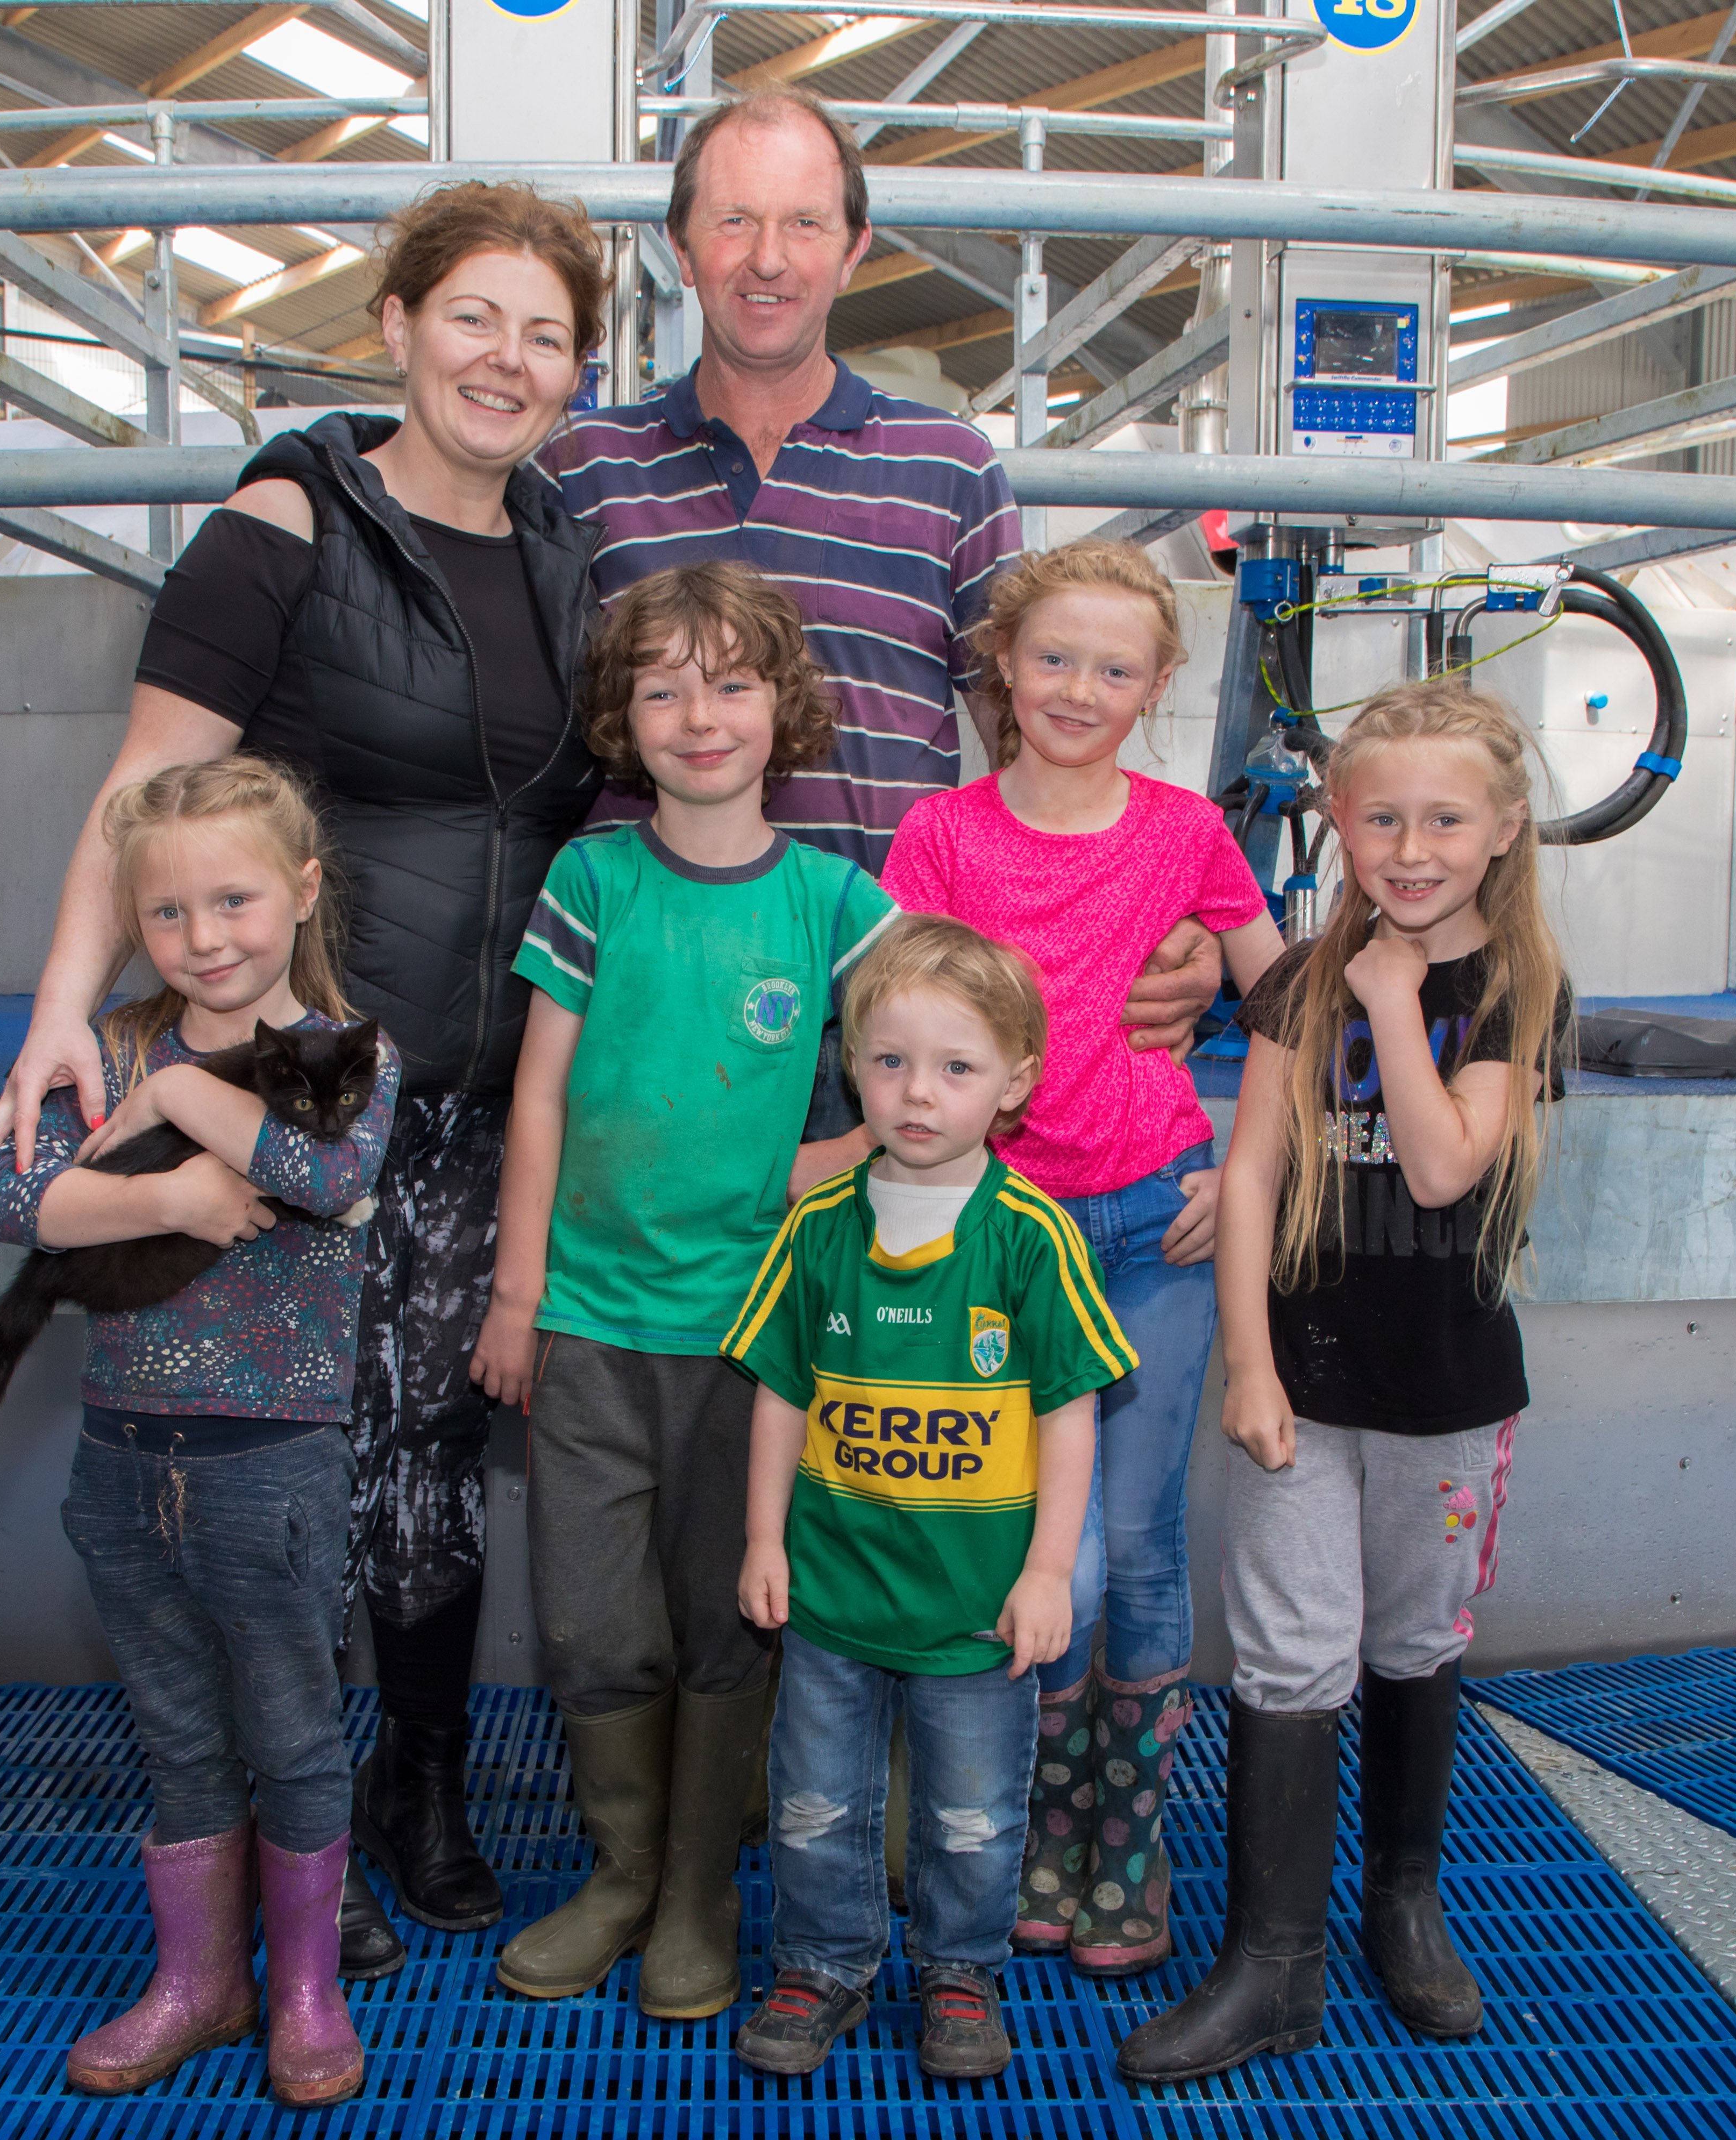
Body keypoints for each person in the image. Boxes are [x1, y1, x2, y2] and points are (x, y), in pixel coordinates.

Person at [0, 183, 611, 1973]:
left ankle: (408, 1785)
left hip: (488, 1082)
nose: (506, 359)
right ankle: (284, 1796)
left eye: (545, 332)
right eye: (472, 316)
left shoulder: (567, 550)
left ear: (577, 371)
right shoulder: (284, 522)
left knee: (422, 1452)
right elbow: (145, 786)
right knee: (295, 1452)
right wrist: (58, 1013)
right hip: (311, 1080)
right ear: (397, 325)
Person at [540, 89, 1221, 1048]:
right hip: (642, 1004)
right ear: (682, 248)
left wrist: (1148, 918)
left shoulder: (950, 467)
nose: (768, 258)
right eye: (734, 220)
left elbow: (1036, 744)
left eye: (805, 223)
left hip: (880, 1012)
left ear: (855, 247)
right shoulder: (581, 466)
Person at [1115, 682, 1571, 2085]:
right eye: (1380, 815)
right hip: (1301, 1385)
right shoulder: (1298, 981)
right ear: (1337, 821)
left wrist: (1393, 993)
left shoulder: (1518, 987)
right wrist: (1247, 1360)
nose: (1410, 845)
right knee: (1288, 1650)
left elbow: (1441, 1165)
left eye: (1445, 817)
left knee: (1415, 1640)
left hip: (1445, 1394)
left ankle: (1404, 1898)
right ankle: (1273, 1961)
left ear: (1503, 830)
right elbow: (1249, 1169)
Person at [474, 561, 894, 2018]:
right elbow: (539, 1095)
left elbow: (948, 1048)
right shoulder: (593, 880)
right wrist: (519, 1288)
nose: (698, 714)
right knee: (591, 1618)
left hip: (756, 1335)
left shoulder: (839, 898)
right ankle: (622, 1870)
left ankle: (703, 1890)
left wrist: (833, 1155)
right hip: (591, 1317)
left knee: (732, 1611)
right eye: (661, 685)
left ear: (785, 705)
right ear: (621, 716)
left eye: (730, 681)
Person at [880, 539, 1284, 1980]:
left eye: (1117, 667)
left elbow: (1283, 1000)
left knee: (1137, 1538)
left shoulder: (1185, 832)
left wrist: (1241, 1164)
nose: (1080, 688)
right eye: (1054, 657)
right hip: (1006, 1238)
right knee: (1049, 1548)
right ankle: (1043, 1822)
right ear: (1004, 664)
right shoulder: (941, 835)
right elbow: (905, 1011)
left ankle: (1129, 1843)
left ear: (1159, 685)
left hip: (1152, 1220)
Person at [0, 755, 400, 2108]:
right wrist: (169, 1198)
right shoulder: (94, 1042)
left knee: (292, 1724)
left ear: (303, 890)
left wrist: (168, 1105)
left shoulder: (352, 1052)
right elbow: (9, 1198)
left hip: (268, 1465)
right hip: (121, 1457)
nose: (205, 938)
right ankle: (197, 1981)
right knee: (173, 1725)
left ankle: (306, 1986)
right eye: (167, 915)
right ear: (130, 917)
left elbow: (326, 1174)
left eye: (235, 900)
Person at [723, 915, 1133, 2082]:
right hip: (833, 1598)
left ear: (1015, 1082)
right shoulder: (816, 1227)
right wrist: (765, 1537)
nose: (917, 1091)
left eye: (956, 1067)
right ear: (853, 1064)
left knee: (969, 1814)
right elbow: (778, 1393)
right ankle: (822, 1960)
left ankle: (960, 1969)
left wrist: (1049, 1569)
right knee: (811, 1800)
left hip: (973, 1611)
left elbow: (1071, 1410)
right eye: (891, 1059)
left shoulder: (1029, 1236)